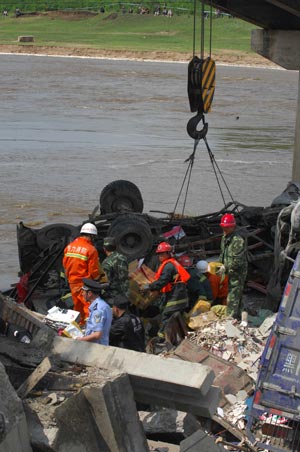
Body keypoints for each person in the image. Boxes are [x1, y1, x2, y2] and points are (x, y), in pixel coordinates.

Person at [143, 242, 190, 340]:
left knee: (166, 316)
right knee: (170, 315)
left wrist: (149, 286)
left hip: (176, 297)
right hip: (178, 295)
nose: (160, 256)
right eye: (159, 254)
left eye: (162, 254)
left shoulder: (168, 266)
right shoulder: (171, 263)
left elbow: (162, 281)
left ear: (168, 253)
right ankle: (177, 337)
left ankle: (162, 339)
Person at [63, 222, 104, 325]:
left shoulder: (69, 247)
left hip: (72, 282)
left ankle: (78, 326)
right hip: (84, 284)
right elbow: (93, 271)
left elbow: (65, 264)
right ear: (91, 236)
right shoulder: (91, 249)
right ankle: (90, 328)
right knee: (89, 307)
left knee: (77, 306)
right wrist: (98, 279)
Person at [219, 213, 248, 321]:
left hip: (238, 272)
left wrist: (225, 268)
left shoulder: (238, 241)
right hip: (228, 269)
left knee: (233, 294)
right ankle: (240, 314)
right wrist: (220, 265)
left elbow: (237, 261)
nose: (224, 229)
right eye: (223, 227)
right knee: (236, 293)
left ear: (233, 227)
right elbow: (222, 253)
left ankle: (230, 318)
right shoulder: (225, 237)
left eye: (227, 227)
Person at [77, 278, 112, 344]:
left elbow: (97, 334)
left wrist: (81, 340)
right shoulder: (100, 305)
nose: (82, 294)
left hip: (97, 347)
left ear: (89, 293)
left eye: (83, 291)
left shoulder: (98, 310)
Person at [102, 236, 129, 303]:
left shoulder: (106, 262)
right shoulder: (123, 257)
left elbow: (105, 282)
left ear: (104, 249)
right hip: (126, 293)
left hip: (113, 295)